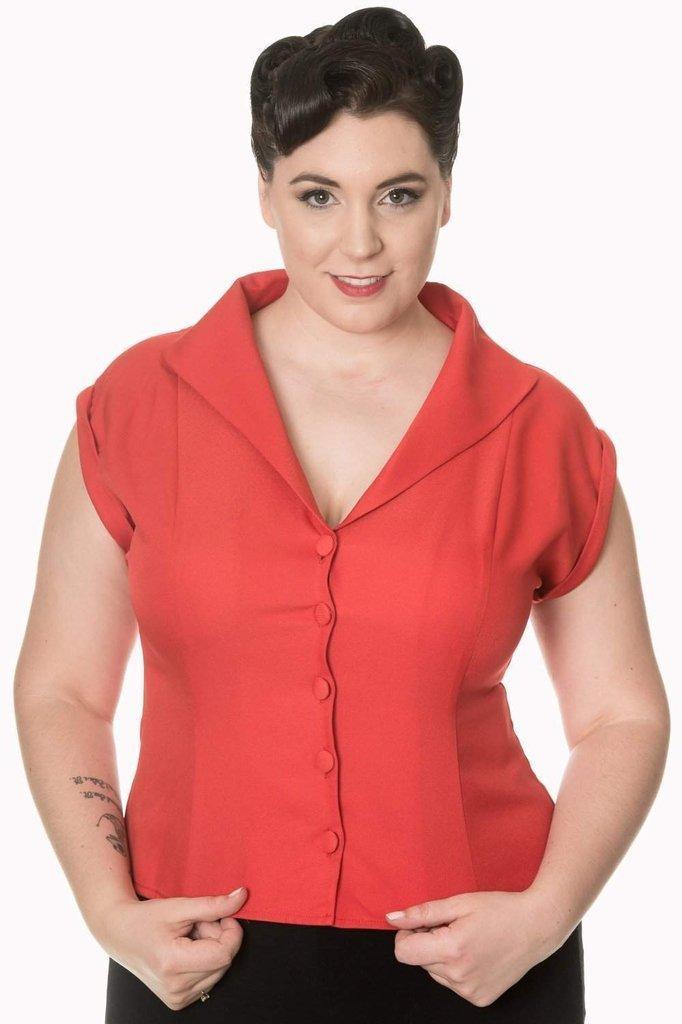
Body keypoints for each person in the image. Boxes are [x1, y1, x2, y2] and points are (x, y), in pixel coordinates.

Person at [14, 7, 669, 1023]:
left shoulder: (542, 428)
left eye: (398, 195)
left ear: (446, 193)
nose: (359, 242)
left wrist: (546, 915)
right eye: (317, 195)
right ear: (265, 193)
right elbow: (62, 686)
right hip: (191, 958)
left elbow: (620, 713)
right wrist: (107, 910)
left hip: (482, 958)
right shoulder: (137, 406)